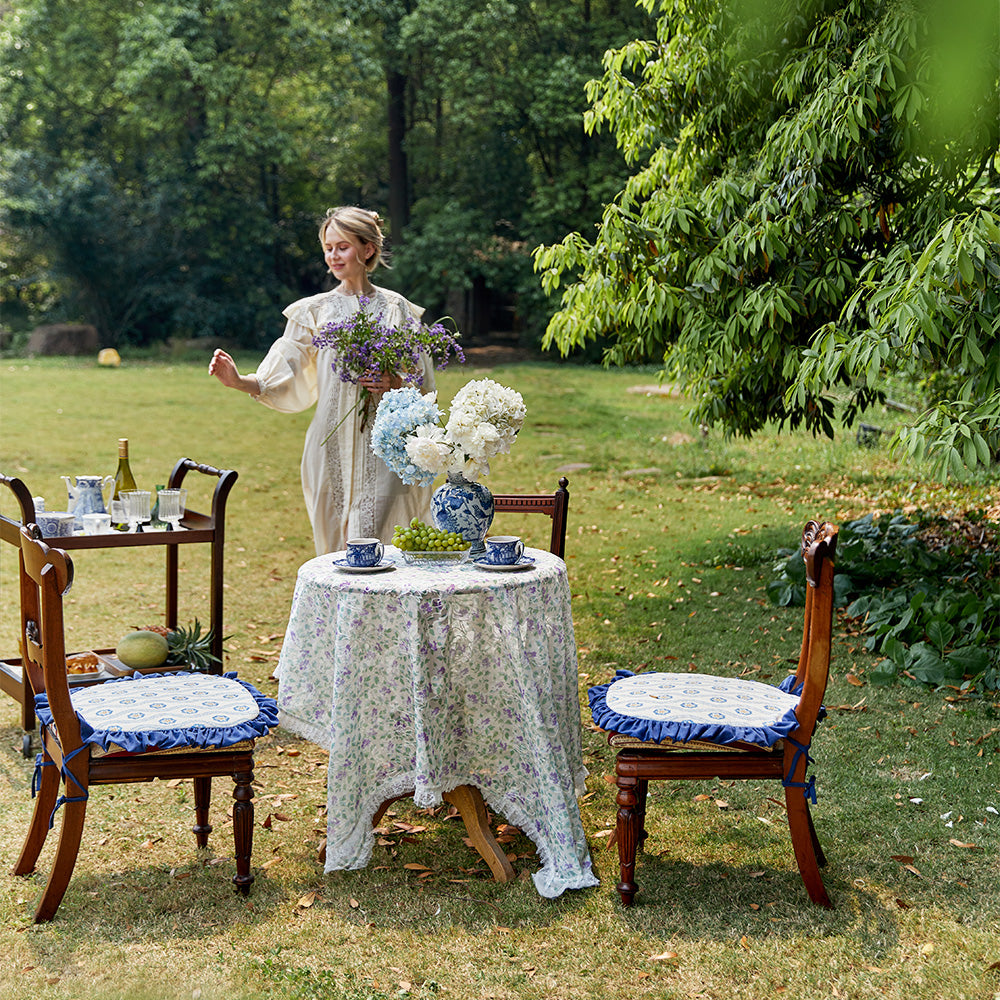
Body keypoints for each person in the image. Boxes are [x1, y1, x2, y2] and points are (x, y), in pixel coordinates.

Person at [208, 206, 435, 555]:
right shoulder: (314, 311)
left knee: (383, 552)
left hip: (386, 450)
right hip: (329, 451)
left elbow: (423, 387)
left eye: (342, 247)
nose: (333, 256)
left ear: (367, 249)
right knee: (333, 554)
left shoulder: (397, 310)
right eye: (328, 248)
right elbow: (285, 369)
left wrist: (394, 380)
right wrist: (239, 381)